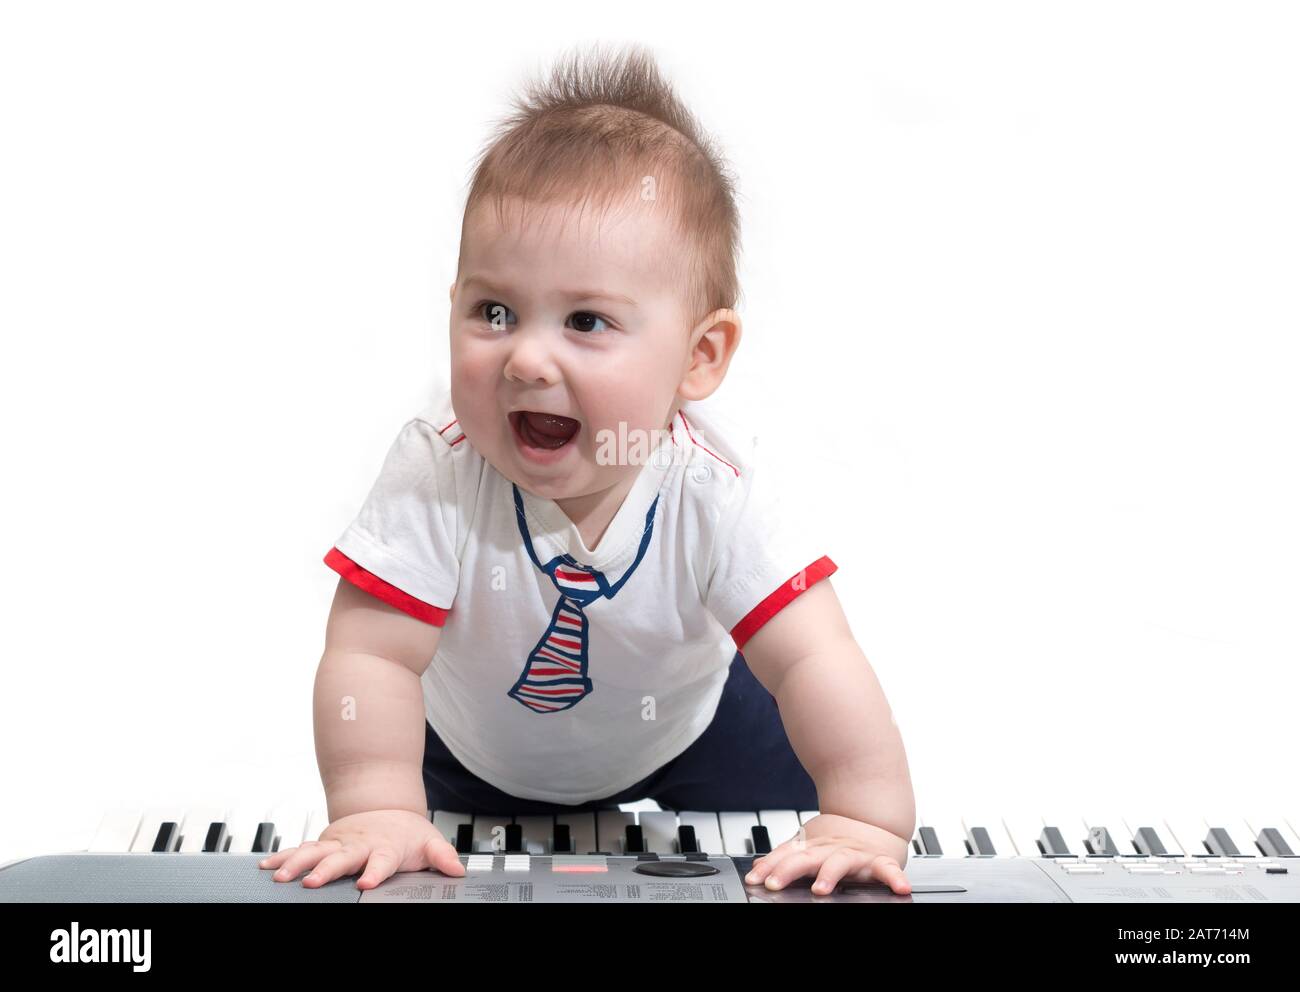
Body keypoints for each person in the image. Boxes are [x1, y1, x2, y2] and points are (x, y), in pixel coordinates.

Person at [260, 43, 914, 897]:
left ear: (699, 356)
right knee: (412, 816)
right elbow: (371, 657)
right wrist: (378, 802)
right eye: (494, 311)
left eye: (587, 321)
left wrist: (865, 817)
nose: (528, 358)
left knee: (790, 807)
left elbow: (813, 655)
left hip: (690, 732)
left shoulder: (712, 488)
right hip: (474, 750)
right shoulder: (439, 467)